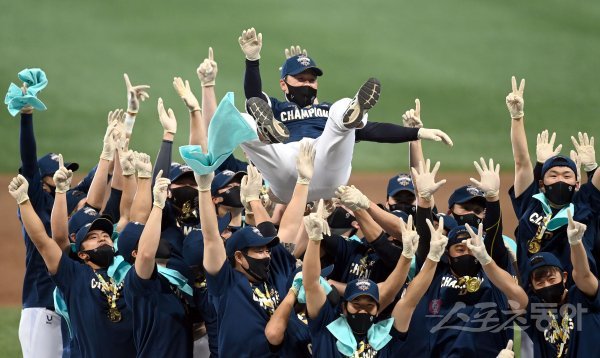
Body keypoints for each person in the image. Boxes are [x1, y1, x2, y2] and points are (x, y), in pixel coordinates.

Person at [235, 27, 453, 203]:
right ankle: (267, 130)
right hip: (286, 172)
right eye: (301, 79)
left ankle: (355, 112)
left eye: (311, 80)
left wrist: (418, 132)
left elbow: (373, 130)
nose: (307, 84)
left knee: (341, 108)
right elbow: (254, 97)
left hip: (326, 168)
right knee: (244, 120)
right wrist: (252, 60)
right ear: (284, 84)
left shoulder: (329, 111)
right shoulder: (277, 107)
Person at [9, 174, 135, 358]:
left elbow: (130, 216)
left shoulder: (126, 271)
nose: (101, 237)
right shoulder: (74, 275)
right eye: (92, 237)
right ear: (82, 253)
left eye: (106, 235)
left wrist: (131, 175)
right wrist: (24, 201)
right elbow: (44, 242)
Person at [302, 199, 448, 357]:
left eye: (369, 305)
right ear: (344, 307)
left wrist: (433, 257)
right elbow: (311, 283)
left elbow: (410, 300)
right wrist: (314, 239)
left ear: (377, 310)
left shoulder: (385, 336)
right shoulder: (326, 327)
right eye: (356, 304)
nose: (362, 311)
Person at [506, 75, 600, 283]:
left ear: (577, 184)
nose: (560, 179)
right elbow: (521, 162)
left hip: (576, 295)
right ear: (541, 183)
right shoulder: (531, 201)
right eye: (553, 175)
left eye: (567, 175)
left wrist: (592, 168)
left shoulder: (584, 202)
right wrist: (517, 117)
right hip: (532, 292)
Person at [521, 210, 600, 357]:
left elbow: (583, 274)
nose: (547, 286)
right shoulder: (535, 311)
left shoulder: (582, 296)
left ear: (564, 277)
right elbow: (511, 290)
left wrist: (575, 243)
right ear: (532, 287)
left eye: (551, 279)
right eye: (540, 283)